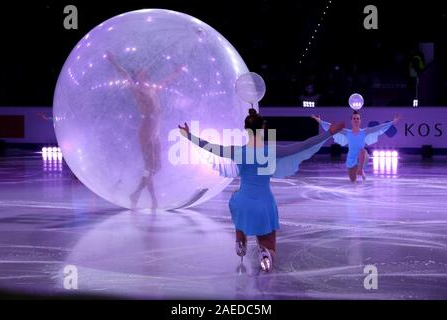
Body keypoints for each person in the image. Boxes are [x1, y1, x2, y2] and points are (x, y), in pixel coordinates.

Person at [179, 109, 345, 272]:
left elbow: (210, 147)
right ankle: (266, 253)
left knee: (236, 203)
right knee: (269, 240)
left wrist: (188, 135)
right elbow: (303, 145)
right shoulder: (271, 151)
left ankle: (240, 240)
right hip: (264, 205)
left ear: (246, 129)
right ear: (263, 128)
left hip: (243, 203)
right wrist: (329, 132)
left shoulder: (237, 151)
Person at [106, 51, 184, 209]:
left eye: (145, 71)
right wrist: (113, 62)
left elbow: (165, 81)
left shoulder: (152, 89)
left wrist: (176, 73)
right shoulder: (137, 91)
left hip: (155, 131)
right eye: (141, 72)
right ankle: (153, 200)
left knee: (156, 168)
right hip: (147, 130)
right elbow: (124, 75)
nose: (145, 73)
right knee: (149, 167)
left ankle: (135, 193)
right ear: (138, 77)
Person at [313, 111, 401, 182]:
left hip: (362, 157)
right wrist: (320, 121)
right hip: (351, 160)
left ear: (360, 120)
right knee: (353, 180)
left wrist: (393, 122)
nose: (356, 120)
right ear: (351, 121)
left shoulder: (365, 132)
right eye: (354, 118)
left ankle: (360, 169)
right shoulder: (346, 132)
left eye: (358, 118)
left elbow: (379, 127)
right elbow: (331, 127)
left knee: (362, 151)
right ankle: (359, 170)